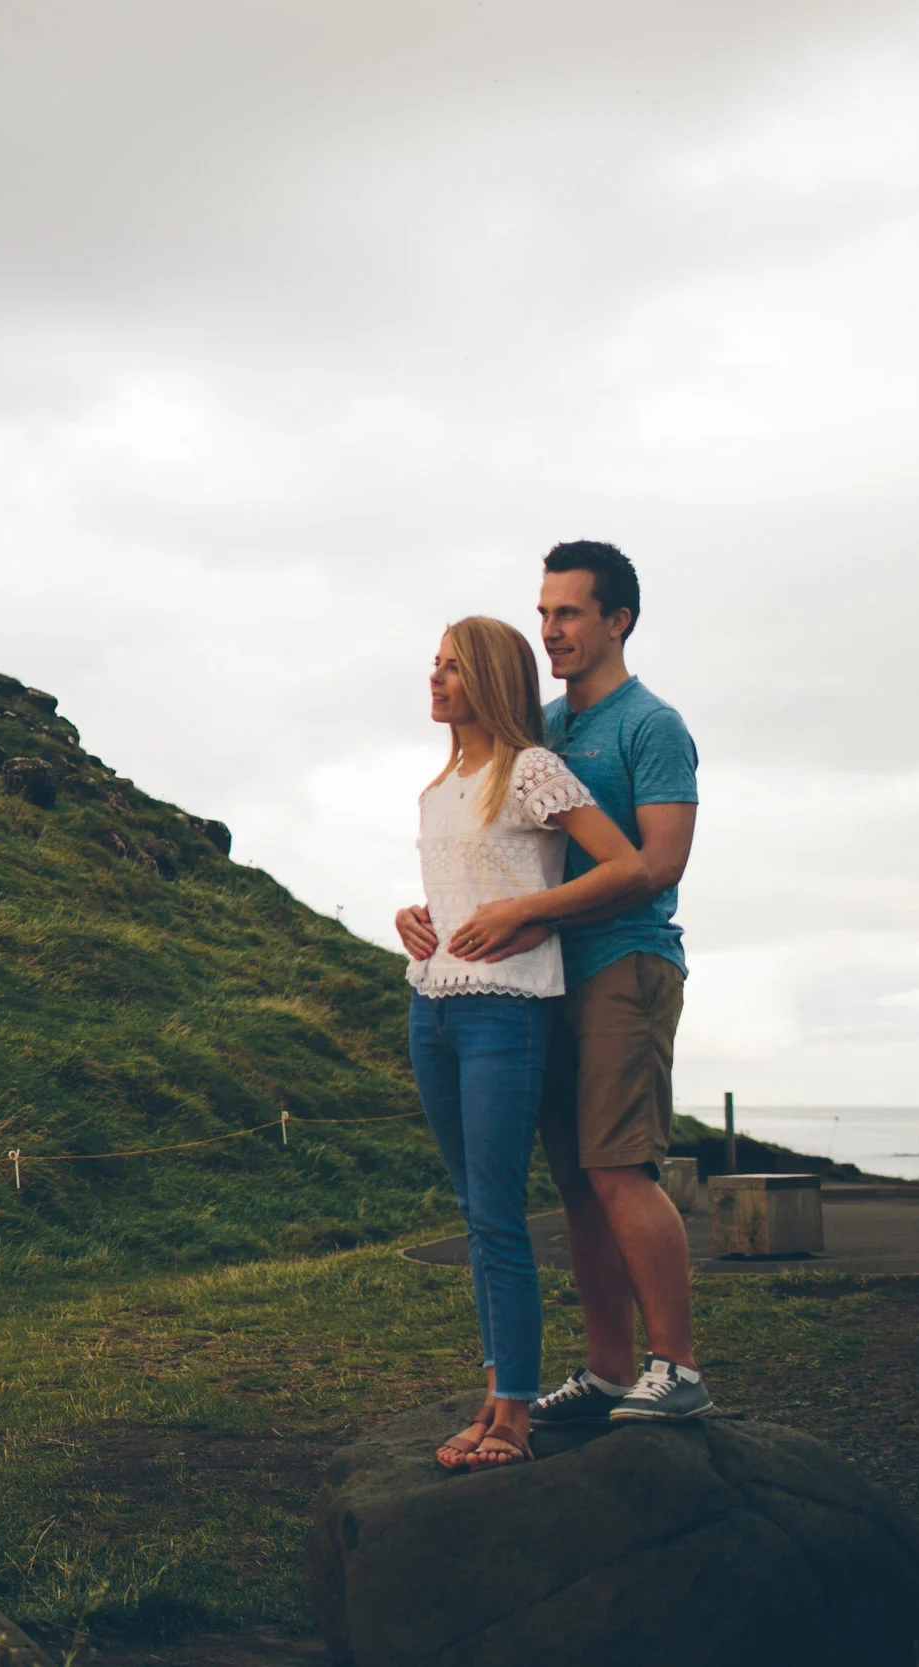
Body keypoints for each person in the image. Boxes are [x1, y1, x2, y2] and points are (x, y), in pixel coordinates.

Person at [404, 541, 712, 1425]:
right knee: (576, 1180)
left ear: (618, 620)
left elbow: (657, 862)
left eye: (569, 613)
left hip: (625, 959)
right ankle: (611, 1368)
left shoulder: (652, 726)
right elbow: (492, 845)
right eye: (543, 613)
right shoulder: (541, 724)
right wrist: (434, 912)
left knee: (619, 1166)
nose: (550, 630)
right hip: (541, 978)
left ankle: (679, 1366)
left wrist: (528, 914)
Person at [397, 616, 648, 1470]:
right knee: (476, 1217)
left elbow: (625, 864)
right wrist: (412, 918)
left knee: (500, 1218)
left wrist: (526, 913)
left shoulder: (532, 769)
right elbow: (462, 885)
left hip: (508, 1012)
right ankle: (497, 1388)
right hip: (430, 1010)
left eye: (454, 668)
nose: (435, 679)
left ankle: (513, 1416)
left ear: (494, 680)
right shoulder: (438, 785)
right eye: (434, 665)